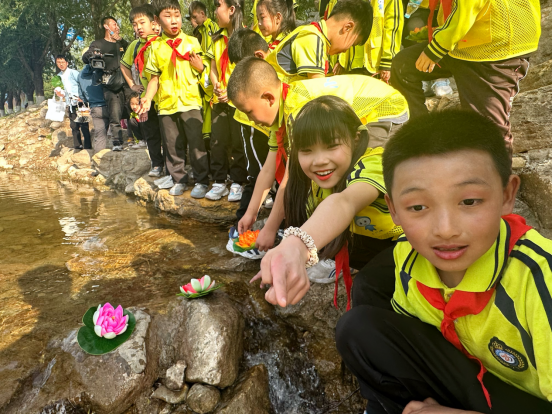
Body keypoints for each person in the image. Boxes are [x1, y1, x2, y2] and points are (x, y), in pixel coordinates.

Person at [335, 110, 552, 415]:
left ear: (507, 194)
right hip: (477, 380)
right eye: (418, 206)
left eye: (469, 201)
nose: (445, 229)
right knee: (357, 329)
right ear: (394, 211)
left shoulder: (541, 279)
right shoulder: (408, 258)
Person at [228, 58, 409, 255]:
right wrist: (250, 213)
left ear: (269, 98)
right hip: (360, 115)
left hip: (384, 111)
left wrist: (270, 229)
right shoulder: (282, 110)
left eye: (249, 112)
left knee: (358, 176)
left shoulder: (298, 111)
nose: (250, 119)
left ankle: (346, 246)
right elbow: (269, 169)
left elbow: (288, 179)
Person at [254, 96, 403, 310]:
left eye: (332, 146)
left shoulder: (374, 162)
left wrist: (297, 245)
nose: (320, 160)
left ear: (355, 138)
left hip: (400, 244)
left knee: (366, 286)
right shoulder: (316, 182)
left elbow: (345, 202)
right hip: (362, 242)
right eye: (307, 150)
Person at [390, 0, 542, 154]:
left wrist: (436, 49)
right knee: (403, 67)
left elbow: (470, 4)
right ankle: (423, 138)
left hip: (492, 48)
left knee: (487, 130)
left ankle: (497, 177)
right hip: (464, 39)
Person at [140, 0, 211, 197]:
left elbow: (204, 69)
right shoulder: (154, 48)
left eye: (177, 16)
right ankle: (179, 179)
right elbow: (154, 79)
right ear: (156, 20)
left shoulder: (192, 42)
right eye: (168, 16)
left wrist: (201, 67)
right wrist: (147, 98)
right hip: (167, 105)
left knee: (197, 144)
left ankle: (202, 181)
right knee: (172, 146)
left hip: (190, 102)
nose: (174, 21)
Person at [264, 0, 374, 84]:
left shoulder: (314, 35)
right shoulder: (312, 38)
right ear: (347, 27)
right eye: (352, 44)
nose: (346, 51)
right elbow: (319, 91)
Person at [204, 0, 249, 202]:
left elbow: (247, 70)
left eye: (217, 6)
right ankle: (220, 181)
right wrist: (216, 84)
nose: (215, 11)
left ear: (231, 10)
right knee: (217, 141)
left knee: (238, 141)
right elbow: (213, 68)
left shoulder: (246, 37)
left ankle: (238, 182)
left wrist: (231, 93)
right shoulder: (216, 39)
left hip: (239, 100)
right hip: (220, 99)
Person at [120, 4, 164, 177]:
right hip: (146, 99)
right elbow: (124, 66)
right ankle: (156, 165)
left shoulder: (162, 42)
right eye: (134, 24)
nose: (138, 27)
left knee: (168, 134)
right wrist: (132, 85)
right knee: (151, 132)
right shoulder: (135, 46)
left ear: (153, 22)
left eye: (141, 22)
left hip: (164, 98)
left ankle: (171, 166)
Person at [83, 16, 130, 151]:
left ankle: (137, 138)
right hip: (110, 84)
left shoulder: (121, 44)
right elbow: (85, 57)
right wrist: (94, 54)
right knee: (114, 113)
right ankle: (117, 142)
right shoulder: (98, 44)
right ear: (106, 26)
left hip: (126, 81)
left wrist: (121, 40)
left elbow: (132, 51)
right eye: (114, 24)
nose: (117, 27)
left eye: (117, 25)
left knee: (133, 112)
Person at [402, 0, 453, 97]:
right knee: (414, 33)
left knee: (443, 36)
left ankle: (441, 77)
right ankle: (422, 76)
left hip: (446, 6)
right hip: (419, 5)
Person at [187, 1, 220, 142]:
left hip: (209, 72)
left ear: (202, 14)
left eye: (195, 17)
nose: (193, 21)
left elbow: (213, 54)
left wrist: (203, 67)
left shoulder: (212, 27)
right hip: (203, 72)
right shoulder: (199, 31)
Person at [55, 56, 92, 150]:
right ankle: (77, 145)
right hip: (70, 104)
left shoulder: (74, 73)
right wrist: (59, 94)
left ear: (67, 63)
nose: (61, 64)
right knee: (74, 126)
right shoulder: (58, 76)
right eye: (58, 62)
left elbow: (82, 84)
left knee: (84, 124)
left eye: (62, 62)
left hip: (80, 102)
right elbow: (60, 90)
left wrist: (83, 97)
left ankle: (88, 146)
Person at [77, 64, 109, 154]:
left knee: (99, 135)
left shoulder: (80, 75)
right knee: (115, 131)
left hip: (95, 107)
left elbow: (82, 96)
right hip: (110, 105)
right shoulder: (103, 70)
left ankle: (98, 159)